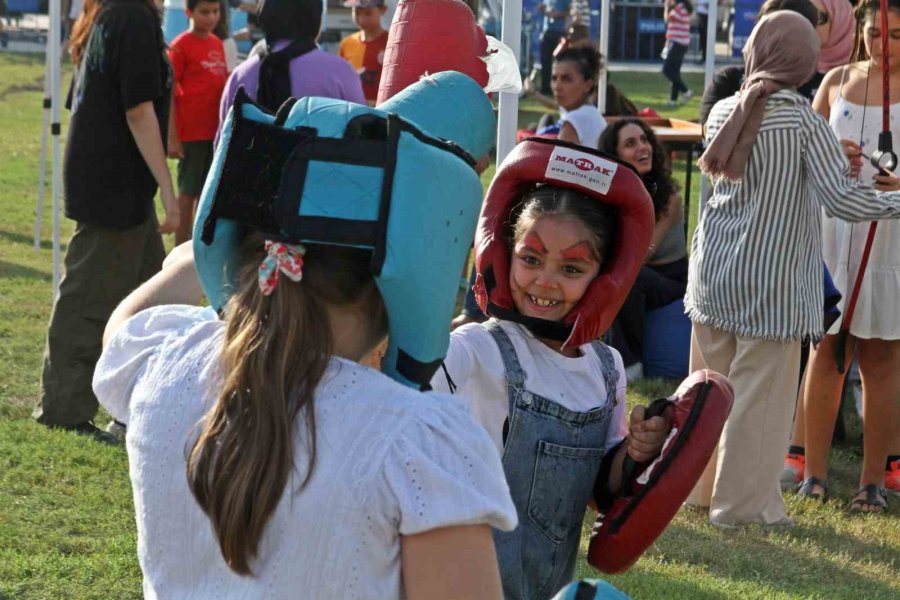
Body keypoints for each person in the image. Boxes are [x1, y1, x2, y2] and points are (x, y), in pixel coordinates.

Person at [92, 71, 517, 597]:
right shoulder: (417, 442)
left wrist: (191, 265)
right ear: (410, 273)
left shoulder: (163, 364)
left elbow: (122, 331)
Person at [687, 11, 900, 528]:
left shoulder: (722, 112)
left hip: (713, 274)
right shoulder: (804, 121)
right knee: (758, 405)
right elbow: (843, 200)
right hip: (772, 286)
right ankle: (743, 507)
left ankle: (695, 490)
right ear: (803, 60)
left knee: (703, 395)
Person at [433, 145, 672, 599]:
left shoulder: (606, 368)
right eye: (530, 259)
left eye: (571, 268)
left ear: (606, 276)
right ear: (503, 254)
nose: (545, 281)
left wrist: (636, 451)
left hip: (547, 587)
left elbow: (599, 487)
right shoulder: (477, 347)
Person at [34, 0, 178, 443]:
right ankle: (63, 409)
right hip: (111, 183)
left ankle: (134, 409)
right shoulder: (130, 15)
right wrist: (169, 191)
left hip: (119, 182)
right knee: (90, 299)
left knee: (152, 296)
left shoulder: (119, 13)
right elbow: (138, 112)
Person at [795, 0, 900, 512]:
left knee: (880, 361)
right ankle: (812, 474)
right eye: (876, 35)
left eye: (897, 36)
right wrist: (834, 155)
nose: (885, 46)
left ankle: (872, 482)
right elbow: (803, 150)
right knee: (827, 353)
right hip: (837, 233)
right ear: (859, 31)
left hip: (891, 239)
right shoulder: (834, 79)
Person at [599, 118, 687, 381]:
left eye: (644, 140)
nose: (642, 148)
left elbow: (644, 252)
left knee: (626, 276)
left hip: (670, 280)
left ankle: (631, 364)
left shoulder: (668, 196)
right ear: (615, 156)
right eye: (630, 143)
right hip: (640, 273)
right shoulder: (611, 195)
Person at [218, 0, 364, 131]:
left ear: (265, 15)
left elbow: (222, 147)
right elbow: (365, 136)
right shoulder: (340, 72)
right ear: (315, 19)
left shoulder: (240, 75)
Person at [699, 0, 850, 125]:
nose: (772, 41)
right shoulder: (729, 79)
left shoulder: (828, 85)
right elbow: (710, 131)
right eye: (766, 29)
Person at [167, 0, 229, 245]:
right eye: (205, 12)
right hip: (191, 133)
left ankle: (197, 250)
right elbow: (170, 91)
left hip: (214, 132)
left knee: (206, 194)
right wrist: (172, 135)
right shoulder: (180, 46)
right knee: (188, 194)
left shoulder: (217, 44)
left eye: (215, 11)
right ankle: (179, 251)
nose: (211, 17)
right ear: (188, 12)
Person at [527, 46, 607, 148]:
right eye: (554, 78)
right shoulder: (588, 114)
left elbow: (557, 164)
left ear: (587, 85)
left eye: (566, 79)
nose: (557, 86)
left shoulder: (575, 120)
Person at [339, 0, 389, 105]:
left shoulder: (391, 42)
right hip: (353, 111)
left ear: (383, 10)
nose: (362, 20)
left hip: (382, 111)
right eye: (356, 13)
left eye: (368, 13)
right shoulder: (347, 43)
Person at [662, 0, 694, 107]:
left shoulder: (679, 8)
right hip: (682, 43)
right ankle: (673, 100)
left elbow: (667, 18)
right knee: (675, 72)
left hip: (677, 43)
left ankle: (685, 91)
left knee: (667, 70)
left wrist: (666, 6)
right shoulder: (684, 7)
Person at [538, 0, 572, 95]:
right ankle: (545, 88)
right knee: (545, 62)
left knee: (561, 62)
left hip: (559, 33)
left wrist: (558, 14)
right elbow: (544, 8)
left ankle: (560, 88)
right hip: (547, 32)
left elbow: (570, 12)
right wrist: (543, 10)